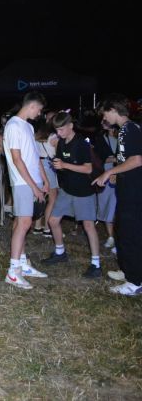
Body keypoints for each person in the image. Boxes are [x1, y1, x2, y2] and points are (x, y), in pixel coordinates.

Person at [40, 112, 102, 278]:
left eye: (61, 129)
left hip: (84, 191)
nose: (58, 133)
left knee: (88, 226)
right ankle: (60, 252)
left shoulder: (81, 143)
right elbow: (61, 163)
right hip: (67, 190)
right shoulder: (61, 143)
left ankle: (96, 264)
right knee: (53, 221)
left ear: (70, 126)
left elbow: (88, 168)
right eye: (57, 130)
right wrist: (56, 165)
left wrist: (64, 165)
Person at [93, 95, 142, 295]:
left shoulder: (129, 129)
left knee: (131, 234)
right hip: (128, 189)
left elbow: (137, 160)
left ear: (113, 109)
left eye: (105, 114)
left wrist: (109, 172)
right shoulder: (127, 129)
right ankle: (128, 270)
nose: (104, 118)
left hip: (134, 192)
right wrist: (117, 173)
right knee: (123, 231)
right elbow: (126, 159)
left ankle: (135, 281)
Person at [3, 92, 50, 289]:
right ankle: (13, 272)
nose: (39, 114)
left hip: (33, 180)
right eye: (39, 110)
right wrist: (33, 186)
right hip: (22, 182)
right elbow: (17, 159)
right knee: (23, 223)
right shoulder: (13, 126)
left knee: (22, 223)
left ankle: (22, 264)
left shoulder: (28, 126)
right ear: (32, 106)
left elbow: (34, 157)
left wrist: (44, 180)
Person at [93, 122, 118, 249]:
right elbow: (97, 157)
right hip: (105, 175)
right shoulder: (101, 139)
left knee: (116, 206)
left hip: (121, 176)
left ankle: (118, 237)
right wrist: (114, 159)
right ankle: (111, 236)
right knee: (107, 205)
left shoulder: (123, 139)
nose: (103, 122)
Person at [33, 122, 59, 237]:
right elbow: (58, 154)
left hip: (38, 166)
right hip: (48, 166)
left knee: (41, 196)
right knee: (52, 199)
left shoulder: (36, 136)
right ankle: (47, 228)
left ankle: (37, 226)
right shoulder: (54, 137)